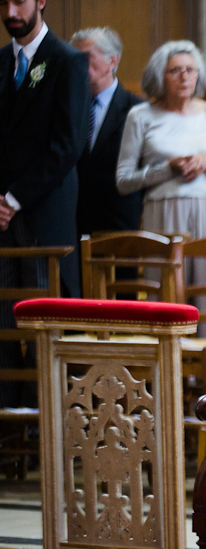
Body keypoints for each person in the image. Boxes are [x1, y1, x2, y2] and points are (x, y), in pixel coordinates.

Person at [0, 0, 90, 407]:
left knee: (39, 320)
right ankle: (7, 416)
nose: (11, 10)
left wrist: (15, 198)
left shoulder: (67, 61)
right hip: (1, 214)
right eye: (3, 3)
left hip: (42, 212)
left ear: (41, 2)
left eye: (19, 1)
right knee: (3, 320)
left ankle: (45, 421)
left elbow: (67, 144)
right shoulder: (2, 62)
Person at [116, 40, 206, 329]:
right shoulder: (141, 116)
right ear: (160, 75)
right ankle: (164, 364)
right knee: (165, 294)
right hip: (161, 215)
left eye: (190, 70)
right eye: (175, 71)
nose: (184, 77)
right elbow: (123, 181)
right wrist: (167, 169)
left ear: (199, 75)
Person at [71, 27, 144, 238]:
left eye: (85, 57)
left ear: (112, 62)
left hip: (118, 224)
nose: (77, 63)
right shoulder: (67, 105)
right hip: (73, 223)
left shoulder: (136, 109)